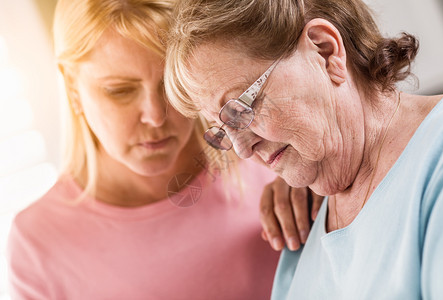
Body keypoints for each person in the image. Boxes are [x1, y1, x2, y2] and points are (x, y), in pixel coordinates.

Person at [6, 0, 323, 299]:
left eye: (171, 85)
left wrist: (315, 184)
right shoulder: (38, 244)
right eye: (120, 91)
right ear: (72, 87)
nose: (155, 115)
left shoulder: (271, 154)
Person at [164, 0, 443, 298]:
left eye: (241, 108)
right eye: (223, 129)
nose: (242, 150)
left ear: (325, 51)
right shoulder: (303, 223)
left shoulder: (441, 155)